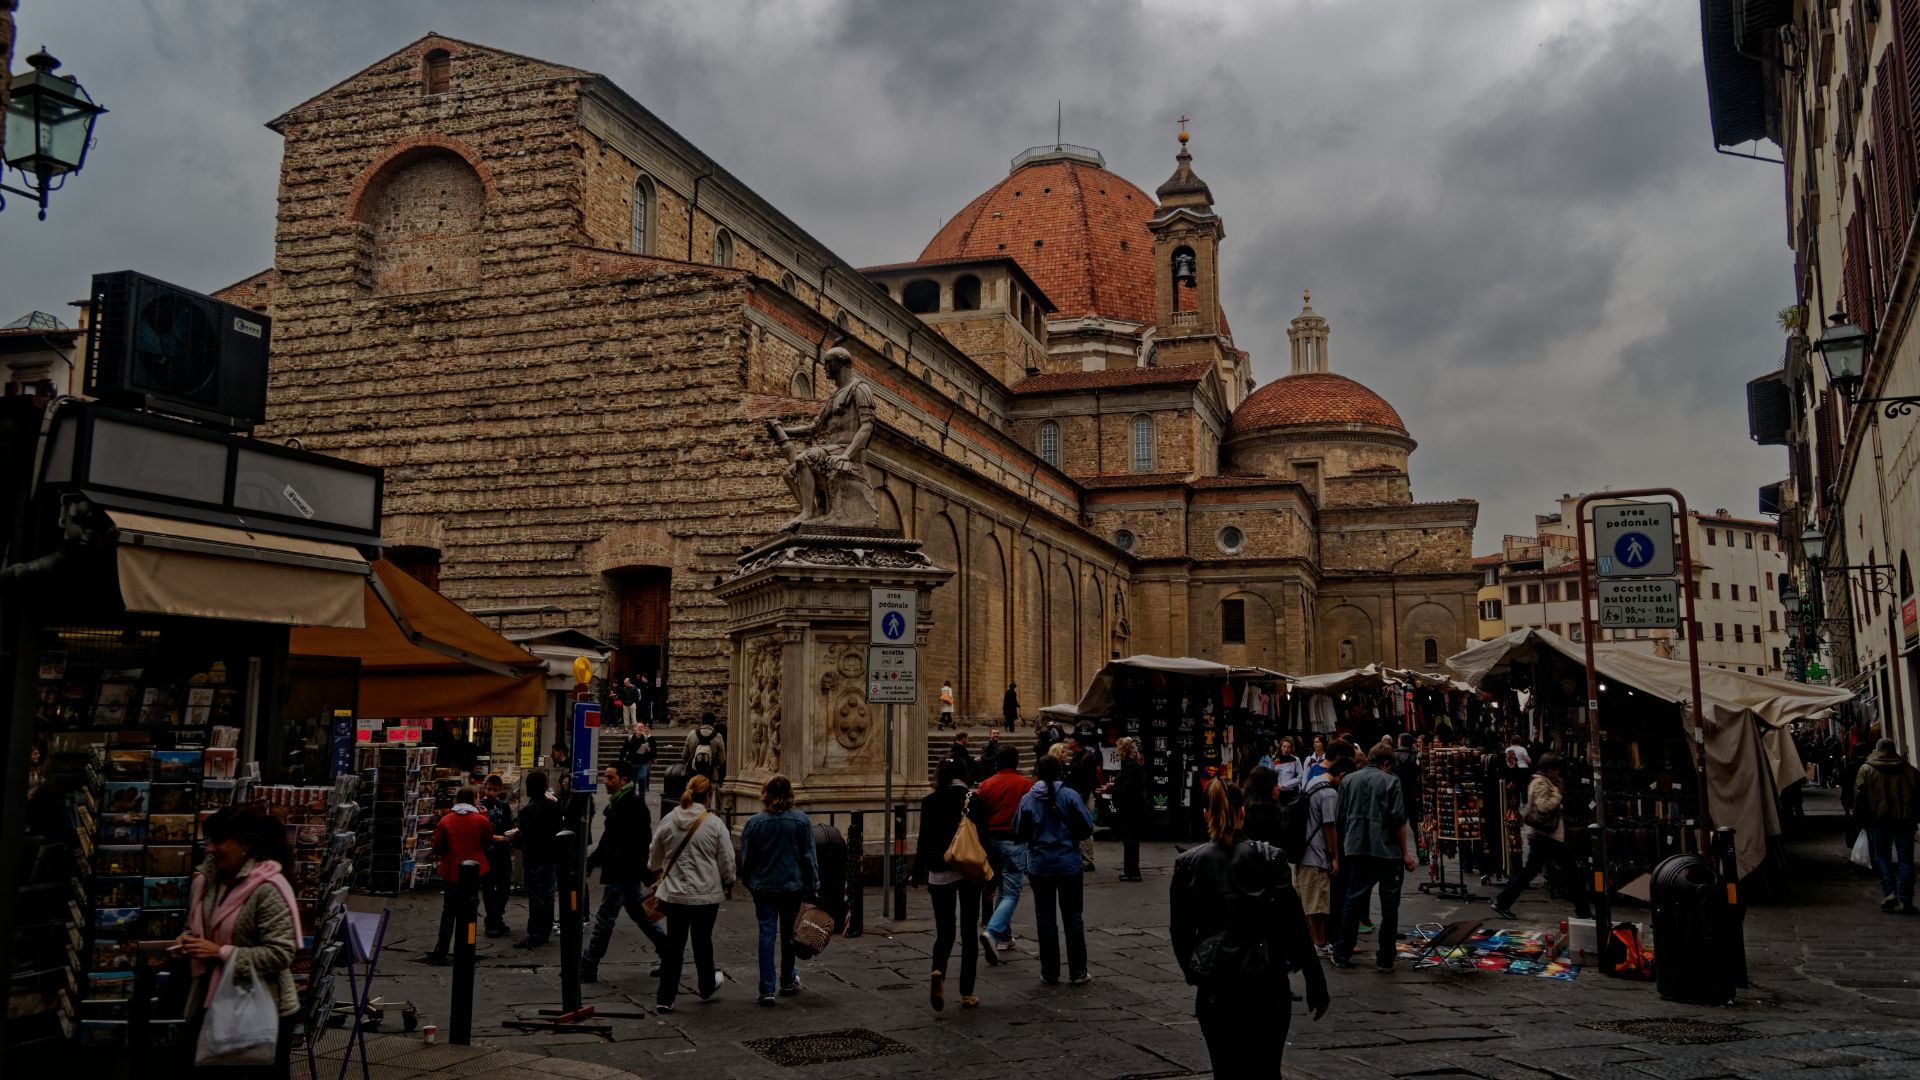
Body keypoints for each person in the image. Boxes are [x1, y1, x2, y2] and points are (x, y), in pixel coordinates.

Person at [1172, 780, 1330, 1078]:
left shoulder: (1188, 864)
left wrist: (1193, 972)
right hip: (1266, 981)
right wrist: (1315, 982)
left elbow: (1180, 932)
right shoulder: (1270, 858)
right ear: (1242, 813)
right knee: (1267, 1070)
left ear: (1206, 814)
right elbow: (1295, 926)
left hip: (1216, 984)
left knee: (1225, 1070)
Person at [176, 806, 302, 1075]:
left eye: (219, 841)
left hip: (259, 1008)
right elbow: (195, 927)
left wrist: (221, 952)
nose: (210, 849)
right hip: (208, 1000)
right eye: (208, 841)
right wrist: (187, 942)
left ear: (245, 844)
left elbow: (281, 953)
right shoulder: (205, 883)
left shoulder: (268, 889)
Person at [649, 773, 737, 1012]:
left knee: (674, 945)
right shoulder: (714, 824)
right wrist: (729, 880)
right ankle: (706, 983)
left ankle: (665, 997)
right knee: (702, 941)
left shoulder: (668, 820)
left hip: (675, 894)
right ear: (708, 797)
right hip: (705, 895)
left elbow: (654, 856)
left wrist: (657, 869)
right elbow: (727, 860)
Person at [580, 760, 671, 982]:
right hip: (624, 871)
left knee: (604, 919)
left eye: (610, 777)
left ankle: (588, 965)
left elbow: (640, 842)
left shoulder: (632, 805)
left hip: (622, 871)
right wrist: (592, 861)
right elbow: (607, 840)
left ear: (624, 780)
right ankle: (669, 954)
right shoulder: (619, 803)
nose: (605, 781)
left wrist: (643, 870)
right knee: (641, 915)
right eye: (605, 776)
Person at [915, 758, 992, 1010]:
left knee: (944, 930)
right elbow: (983, 839)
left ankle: (938, 970)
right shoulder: (974, 800)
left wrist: (917, 872)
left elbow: (923, 840)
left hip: (939, 871)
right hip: (967, 870)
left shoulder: (929, 801)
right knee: (969, 931)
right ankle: (967, 992)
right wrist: (992, 873)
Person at [1331, 746, 1416, 971]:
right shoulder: (1391, 781)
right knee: (1389, 907)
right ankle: (1386, 958)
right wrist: (1405, 852)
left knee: (1353, 900)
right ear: (1386, 763)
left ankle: (1341, 952)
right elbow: (1399, 819)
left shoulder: (1349, 781)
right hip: (1387, 851)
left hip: (1357, 848)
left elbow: (1340, 816)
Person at [738, 774, 818, 1005]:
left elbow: (748, 858)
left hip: (764, 886)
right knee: (790, 934)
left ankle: (766, 988)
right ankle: (787, 978)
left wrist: (749, 881)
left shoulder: (755, 823)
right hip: (793, 885)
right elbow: (808, 857)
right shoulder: (801, 820)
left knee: (767, 933)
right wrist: (814, 884)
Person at [1016, 754, 1095, 985]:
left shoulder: (1028, 799)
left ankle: (1050, 972)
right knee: (1073, 918)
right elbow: (1087, 826)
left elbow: (1019, 831)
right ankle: (1078, 971)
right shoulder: (1070, 795)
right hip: (1068, 863)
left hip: (1040, 865)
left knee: (1045, 918)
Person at [1489, 753, 1591, 921]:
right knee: (1569, 871)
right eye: (1556, 769)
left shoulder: (1547, 782)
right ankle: (1583, 910)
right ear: (1549, 769)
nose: (1558, 773)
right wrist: (1557, 794)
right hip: (1544, 837)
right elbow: (1544, 807)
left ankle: (1502, 902)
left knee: (1535, 872)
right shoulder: (1539, 783)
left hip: (1547, 837)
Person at [426, 787, 493, 964]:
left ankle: (442, 948)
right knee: (469, 910)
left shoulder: (446, 820)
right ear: (474, 800)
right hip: (474, 872)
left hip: (451, 871)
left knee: (449, 911)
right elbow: (488, 840)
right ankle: (466, 946)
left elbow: (438, 846)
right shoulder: (480, 820)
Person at [1855, 738, 1919, 914]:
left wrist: (1859, 818)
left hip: (1879, 820)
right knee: (1905, 860)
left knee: (1882, 856)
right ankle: (1906, 899)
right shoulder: (1909, 770)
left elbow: (1859, 796)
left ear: (1877, 750)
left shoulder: (1867, 769)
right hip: (1905, 820)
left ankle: (1890, 892)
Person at [1296, 753, 1352, 956]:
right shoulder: (1329, 794)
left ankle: (1314, 940)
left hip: (1304, 848)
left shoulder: (1314, 781)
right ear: (1342, 775)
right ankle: (1319, 943)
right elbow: (1330, 826)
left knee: (1309, 900)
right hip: (1316, 851)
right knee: (1316, 902)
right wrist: (1335, 856)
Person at [976, 746, 1029, 953]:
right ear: (1016, 762)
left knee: (1001, 888)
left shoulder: (986, 785)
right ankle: (993, 931)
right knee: (1012, 892)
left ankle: (1004, 937)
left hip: (991, 842)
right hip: (1014, 842)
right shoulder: (1025, 784)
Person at [512, 770, 562, 948]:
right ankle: (545, 931)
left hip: (534, 857)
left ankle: (535, 933)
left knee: (536, 897)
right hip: (550, 856)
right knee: (548, 895)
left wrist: (515, 838)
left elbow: (523, 836)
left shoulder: (528, 811)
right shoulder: (554, 807)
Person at [1105, 736, 1148, 881]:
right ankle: (1131, 871)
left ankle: (1133, 872)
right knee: (1130, 840)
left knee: (1131, 840)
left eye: (1119, 749)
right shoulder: (1131, 765)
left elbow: (1127, 789)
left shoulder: (1131, 766)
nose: (1117, 752)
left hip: (1132, 808)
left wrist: (1111, 790)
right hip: (1131, 807)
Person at [478, 773, 516, 938]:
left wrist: (510, 834)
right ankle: (493, 921)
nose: (491, 792)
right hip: (487, 852)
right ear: (484, 789)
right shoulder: (479, 807)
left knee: (504, 886)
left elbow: (509, 824)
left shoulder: (504, 806)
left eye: (495, 789)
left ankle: (496, 916)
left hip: (503, 852)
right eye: (489, 789)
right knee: (489, 888)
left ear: (500, 790)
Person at [1063, 736, 1103, 871]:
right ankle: (1081, 857)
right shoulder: (1076, 756)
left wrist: (1081, 799)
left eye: (1070, 740)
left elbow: (1088, 781)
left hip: (1082, 798)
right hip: (1076, 797)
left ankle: (1088, 860)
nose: (1068, 742)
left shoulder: (1086, 758)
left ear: (1076, 743)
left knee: (1085, 828)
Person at [1239, 764, 1284, 846]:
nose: (1279, 788)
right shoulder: (1271, 814)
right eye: (1275, 784)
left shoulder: (1243, 808)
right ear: (1267, 787)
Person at [685, 712, 727, 786]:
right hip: (710, 775)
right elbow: (722, 759)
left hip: (693, 774)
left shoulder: (691, 734)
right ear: (713, 723)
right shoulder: (718, 736)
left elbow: (684, 756)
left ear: (702, 721)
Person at [620, 721, 658, 795]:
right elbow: (623, 750)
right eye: (639, 727)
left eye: (642, 727)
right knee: (632, 782)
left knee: (641, 779)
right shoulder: (630, 738)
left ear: (643, 729)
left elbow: (652, 750)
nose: (640, 728)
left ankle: (641, 796)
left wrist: (649, 751)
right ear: (635, 728)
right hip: (632, 763)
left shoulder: (647, 739)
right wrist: (621, 760)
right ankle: (632, 797)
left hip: (643, 763)